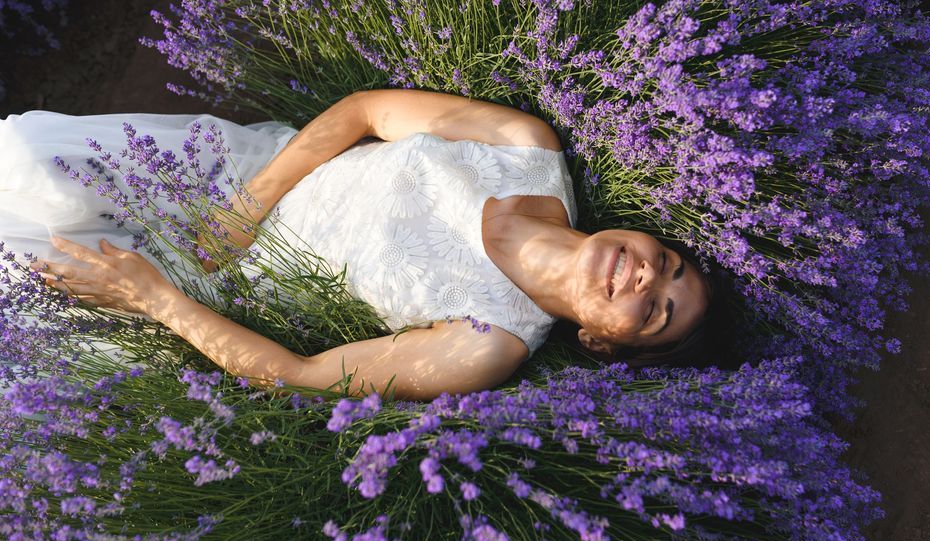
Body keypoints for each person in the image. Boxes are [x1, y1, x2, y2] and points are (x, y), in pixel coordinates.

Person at [0, 89, 716, 401]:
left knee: (22, 274)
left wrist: (151, 298)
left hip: (209, 288)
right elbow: (366, 112)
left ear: (599, 342)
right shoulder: (525, 146)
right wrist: (249, 201)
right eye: (672, 264)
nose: (648, 277)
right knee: (31, 159)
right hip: (244, 175)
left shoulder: (486, 346)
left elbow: (296, 373)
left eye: (656, 311)